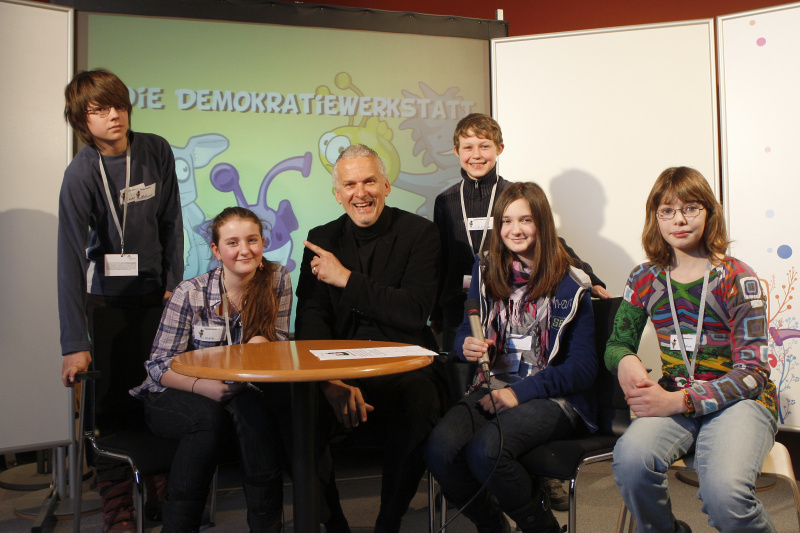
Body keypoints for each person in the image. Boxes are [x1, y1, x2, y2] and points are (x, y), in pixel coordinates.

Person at [431, 112, 607, 509]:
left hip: (543, 388)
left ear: (500, 149)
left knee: (487, 450)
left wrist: (588, 277)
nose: (515, 228)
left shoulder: (515, 196)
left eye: (524, 220)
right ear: (456, 151)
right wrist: (462, 342)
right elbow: (442, 261)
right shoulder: (447, 204)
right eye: (507, 221)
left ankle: (535, 496)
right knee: (444, 447)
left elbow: (556, 249)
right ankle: (492, 513)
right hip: (473, 315)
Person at [605, 167, 779, 533]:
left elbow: (753, 372)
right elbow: (618, 343)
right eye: (667, 211)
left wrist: (678, 402)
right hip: (675, 394)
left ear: (709, 213)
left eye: (691, 208)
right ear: (655, 218)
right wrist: (626, 362)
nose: (679, 220)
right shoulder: (644, 277)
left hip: (742, 403)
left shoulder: (736, 277)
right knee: (631, 461)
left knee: (725, 495)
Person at [295, 144, 447, 533]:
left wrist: (344, 278)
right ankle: (334, 524)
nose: (360, 193)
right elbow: (312, 318)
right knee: (295, 412)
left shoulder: (421, 234)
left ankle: (388, 521)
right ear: (337, 193)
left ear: (387, 185)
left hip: (402, 363)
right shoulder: (320, 238)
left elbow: (412, 311)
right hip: (338, 366)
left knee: (420, 399)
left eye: (369, 181)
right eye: (349, 184)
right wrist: (329, 381)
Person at [58, 68, 183, 532]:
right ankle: (118, 503)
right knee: (110, 408)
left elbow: (172, 222)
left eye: (119, 105)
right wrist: (74, 340)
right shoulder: (80, 174)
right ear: (81, 120)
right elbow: (68, 259)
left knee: (164, 399)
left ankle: (164, 489)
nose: (114, 116)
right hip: (107, 304)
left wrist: (175, 287)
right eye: (100, 110)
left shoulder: (155, 149)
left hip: (158, 299)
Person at [130, 207, 302, 532]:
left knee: (257, 416)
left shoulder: (277, 279)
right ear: (216, 250)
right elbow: (158, 366)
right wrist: (206, 387)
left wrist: (257, 349)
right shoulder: (190, 293)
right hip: (176, 389)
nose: (244, 250)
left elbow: (275, 342)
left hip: (240, 388)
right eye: (232, 242)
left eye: (252, 240)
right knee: (204, 419)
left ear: (263, 242)